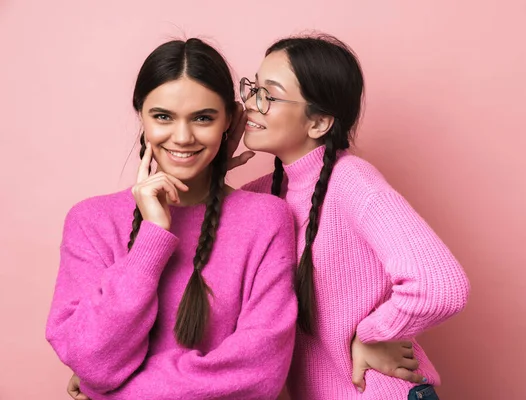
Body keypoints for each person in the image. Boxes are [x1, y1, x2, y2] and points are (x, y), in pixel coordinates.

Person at [46, 38, 298, 400]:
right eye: (163, 116)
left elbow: (259, 371)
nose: (182, 137)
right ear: (141, 114)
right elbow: (91, 360)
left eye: (203, 118)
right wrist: (152, 237)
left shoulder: (266, 219)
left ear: (230, 118)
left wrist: (110, 394)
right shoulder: (91, 221)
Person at [236, 34, 470, 399]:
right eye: (252, 89)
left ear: (319, 123)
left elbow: (441, 286)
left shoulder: (352, 181)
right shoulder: (262, 194)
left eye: (270, 94)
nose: (251, 104)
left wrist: (371, 334)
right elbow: (198, 235)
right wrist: (216, 160)